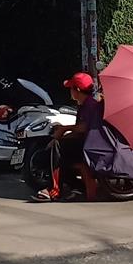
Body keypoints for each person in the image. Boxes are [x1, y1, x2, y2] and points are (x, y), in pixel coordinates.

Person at [35, 71, 103, 202]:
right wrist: (61, 135)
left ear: (77, 90)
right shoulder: (83, 105)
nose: (70, 91)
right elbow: (78, 131)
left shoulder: (90, 105)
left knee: (57, 148)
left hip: (90, 146)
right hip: (84, 143)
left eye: (71, 88)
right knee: (56, 149)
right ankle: (76, 187)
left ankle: (54, 190)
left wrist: (64, 129)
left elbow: (84, 127)